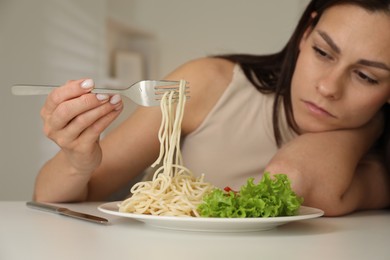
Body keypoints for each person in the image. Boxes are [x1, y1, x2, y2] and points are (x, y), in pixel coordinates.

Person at [34, 0, 390, 216]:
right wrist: (77, 160)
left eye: (366, 77)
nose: (328, 88)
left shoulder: (374, 157)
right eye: (323, 53)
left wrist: (368, 128)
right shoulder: (207, 84)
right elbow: (47, 197)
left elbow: (297, 178)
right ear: (305, 33)